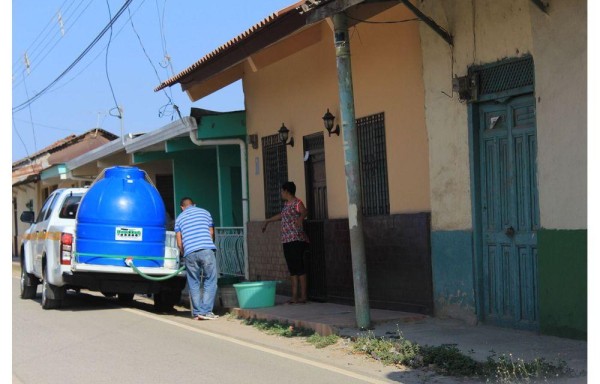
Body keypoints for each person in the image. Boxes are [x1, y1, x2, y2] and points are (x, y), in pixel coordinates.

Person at [262, 181, 309, 304]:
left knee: (299, 268)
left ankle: (303, 296)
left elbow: (304, 211)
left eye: (282, 191)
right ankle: (294, 296)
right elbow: (281, 216)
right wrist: (268, 221)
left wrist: (300, 219)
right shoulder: (287, 205)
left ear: (287, 191)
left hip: (296, 238)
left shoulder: (297, 203)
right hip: (287, 239)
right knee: (292, 268)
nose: (281, 193)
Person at [175, 197, 219, 320]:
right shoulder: (205, 213)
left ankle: (197, 312)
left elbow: (179, 241)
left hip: (189, 252)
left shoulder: (179, 218)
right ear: (194, 205)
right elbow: (211, 233)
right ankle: (206, 312)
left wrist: (184, 252)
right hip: (206, 249)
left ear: (182, 207)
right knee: (210, 280)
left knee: (193, 283)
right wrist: (208, 247)